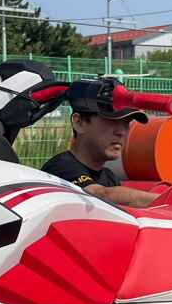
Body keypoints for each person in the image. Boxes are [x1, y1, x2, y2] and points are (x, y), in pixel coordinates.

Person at [42, 78, 161, 207]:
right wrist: (170, 201)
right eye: (111, 120)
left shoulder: (109, 177)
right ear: (79, 123)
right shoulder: (60, 168)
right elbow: (100, 195)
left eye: (127, 121)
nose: (121, 131)